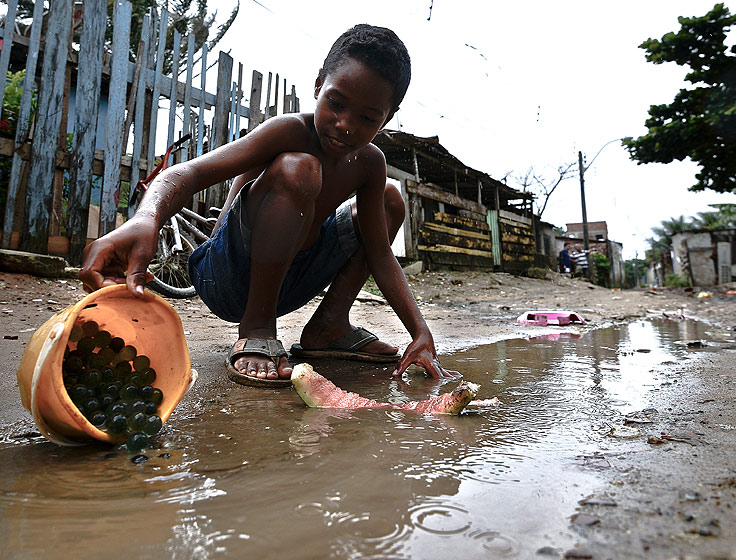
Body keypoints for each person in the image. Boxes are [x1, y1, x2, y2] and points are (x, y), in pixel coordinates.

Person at [79, 24, 459, 387]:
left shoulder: (369, 164)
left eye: (367, 117)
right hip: (226, 276)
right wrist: (146, 219)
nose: (345, 124)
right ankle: (257, 328)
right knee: (300, 169)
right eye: (336, 102)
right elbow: (189, 173)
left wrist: (421, 332)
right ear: (317, 86)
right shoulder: (289, 130)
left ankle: (329, 326)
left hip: (291, 280)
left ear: (387, 119)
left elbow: (380, 254)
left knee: (391, 199)